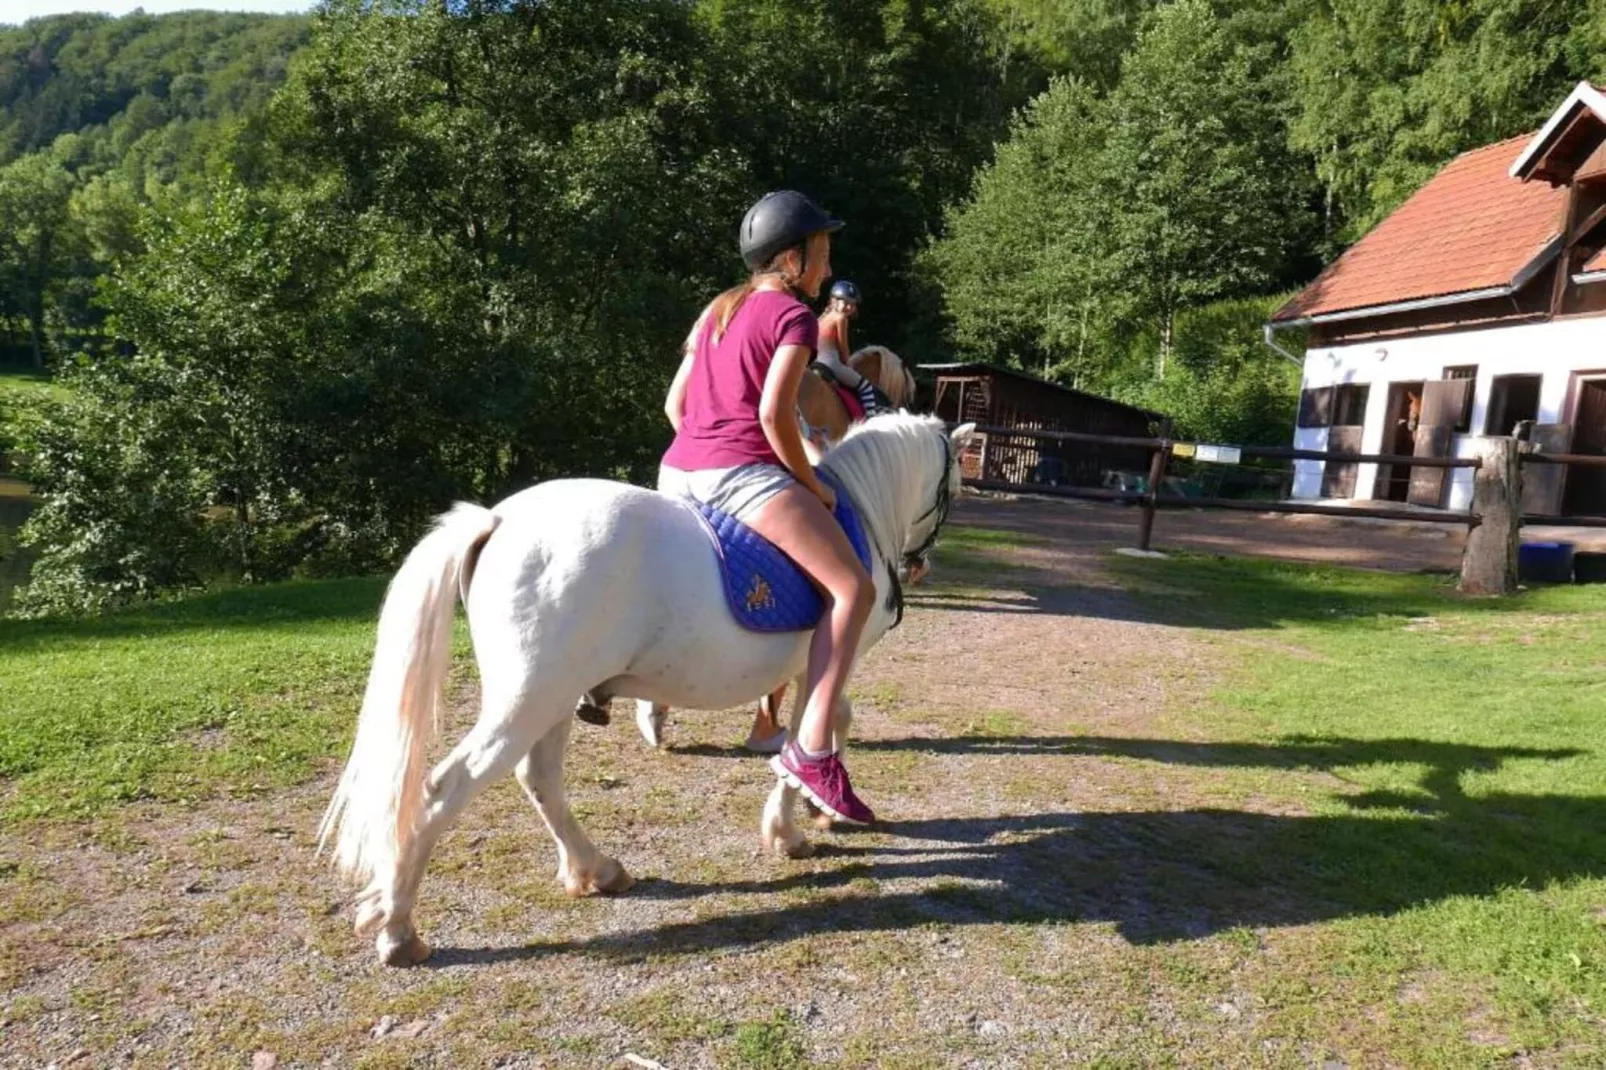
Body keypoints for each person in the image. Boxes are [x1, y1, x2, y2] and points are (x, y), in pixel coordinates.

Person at [657, 190, 876, 825]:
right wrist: (811, 483)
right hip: (742, 475)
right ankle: (811, 752)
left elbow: (674, 408)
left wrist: (703, 449)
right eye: (823, 254)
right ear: (791, 256)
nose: (828, 270)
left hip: (677, 471)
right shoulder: (793, 318)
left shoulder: (716, 310)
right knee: (852, 590)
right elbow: (773, 414)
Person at [813, 279, 882, 416]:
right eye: (846, 302)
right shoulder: (841, 319)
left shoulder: (820, 319)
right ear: (834, 301)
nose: (849, 307)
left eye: (852, 304)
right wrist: (848, 364)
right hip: (831, 363)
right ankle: (872, 418)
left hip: (815, 363)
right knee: (866, 386)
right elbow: (843, 348)